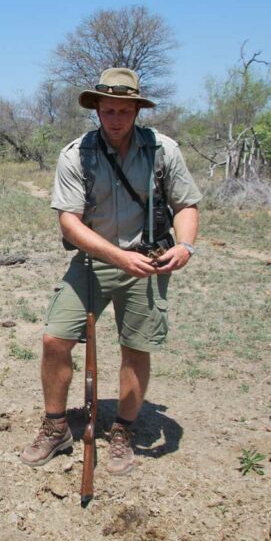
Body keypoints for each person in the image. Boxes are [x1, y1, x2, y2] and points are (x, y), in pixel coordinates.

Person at [20, 67, 201, 476]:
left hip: (149, 261)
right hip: (92, 260)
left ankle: (123, 430)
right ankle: (55, 426)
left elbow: (186, 205)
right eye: (107, 110)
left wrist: (185, 246)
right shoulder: (75, 154)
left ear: (137, 110)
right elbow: (70, 222)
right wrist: (118, 258)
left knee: (136, 347)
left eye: (123, 110)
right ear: (96, 110)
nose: (115, 119)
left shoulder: (163, 150)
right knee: (54, 338)